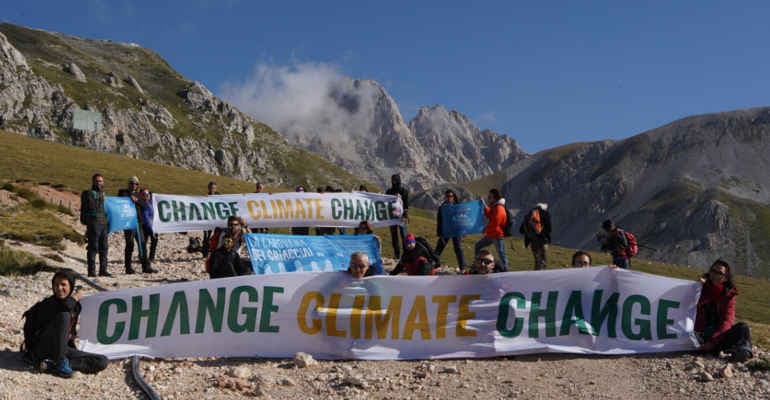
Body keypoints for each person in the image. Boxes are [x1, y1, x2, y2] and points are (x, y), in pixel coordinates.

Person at [22, 270, 108, 378]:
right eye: (56, 284)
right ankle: (60, 363)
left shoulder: (73, 306)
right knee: (64, 316)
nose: (59, 288)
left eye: (63, 285)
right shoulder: (49, 303)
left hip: (61, 348)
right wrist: (76, 297)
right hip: (41, 349)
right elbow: (65, 307)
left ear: (71, 286)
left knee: (102, 361)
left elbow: (69, 308)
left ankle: (50, 366)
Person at [694, 259, 753, 362]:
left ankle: (743, 352)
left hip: (717, 338)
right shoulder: (699, 288)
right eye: (713, 271)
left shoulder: (728, 295)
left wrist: (713, 341)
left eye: (719, 273)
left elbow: (727, 321)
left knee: (743, 328)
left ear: (725, 278)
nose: (714, 274)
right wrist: (698, 287)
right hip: (698, 334)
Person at [117, 176, 156, 274]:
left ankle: (146, 266)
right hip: (129, 223)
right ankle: (128, 267)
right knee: (130, 245)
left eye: (136, 184)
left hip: (138, 223)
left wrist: (137, 200)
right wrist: (129, 197)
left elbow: (143, 204)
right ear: (129, 184)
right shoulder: (123, 192)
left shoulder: (138, 195)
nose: (134, 185)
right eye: (132, 183)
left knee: (142, 245)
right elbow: (120, 198)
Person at [79, 173, 110, 277]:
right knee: (93, 247)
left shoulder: (103, 194)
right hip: (93, 223)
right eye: (97, 181)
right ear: (93, 182)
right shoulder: (88, 193)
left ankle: (103, 270)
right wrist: (85, 221)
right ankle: (91, 271)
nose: (99, 183)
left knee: (104, 247)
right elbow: (87, 207)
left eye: (101, 181)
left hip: (103, 223)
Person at [474, 189, 508, 271]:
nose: (488, 198)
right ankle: (479, 265)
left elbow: (495, 223)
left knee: (501, 254)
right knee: (478, 246)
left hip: (497, 235)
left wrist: (485, 229)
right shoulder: (495, 206)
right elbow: (490, 215)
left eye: (490, 197)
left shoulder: (499, 208)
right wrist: (484, 204)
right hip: (491, 234)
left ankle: (506, 271)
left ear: (495, 198)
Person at [434, 189, 466, 271]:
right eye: (447, 196)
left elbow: (461, 219)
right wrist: (439, 233)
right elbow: (439, 221)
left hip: (456, 231)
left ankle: (463, 268)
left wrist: (462, 231)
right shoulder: (442, 208)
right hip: (446, 231)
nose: (449, 198)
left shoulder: (457, 207)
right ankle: (434, 265)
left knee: (458, 249)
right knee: (439, 248)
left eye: (450, 196)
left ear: (453, 197)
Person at [519, 203, 552, 270]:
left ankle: (535, 274)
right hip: (542, 241)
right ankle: (542, 276)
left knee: (537, 260)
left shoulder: (528, 215)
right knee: (543, 261)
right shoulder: (545, 214)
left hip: (533, 241)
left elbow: (521, 230)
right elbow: (549, 229)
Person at [385, 174, 409, 259]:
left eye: (395, 180)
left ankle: (406, 253)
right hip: (392, 217)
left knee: (404, 235)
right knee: (394, 236)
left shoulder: (404, 191)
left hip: (401, 217)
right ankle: (397, 254)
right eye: (392, 180)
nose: (393, 181)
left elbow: (406, 204)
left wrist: (405, 215)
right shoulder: (388, 192)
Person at [139, 189, 159, 262]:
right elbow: (146, 218)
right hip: (146, 226)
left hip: (153, 225)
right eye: (144, 195)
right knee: (144, 242)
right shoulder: (143, 205)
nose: (146, 196)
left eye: (147, 195)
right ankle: (143, 257)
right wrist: (152, 230)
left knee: (153, 241)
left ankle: (151, 257)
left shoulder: (151, 203)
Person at [202, 181, 219, 257]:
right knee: (206, 236)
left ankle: (214, 252)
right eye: (211, 188)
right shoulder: (205, 196)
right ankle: (205, 253)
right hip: (207, 219)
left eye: (214, 188)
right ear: (208, 188)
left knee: (216, 236)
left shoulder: (219, 196)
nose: (212, 189)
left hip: (216, 220)